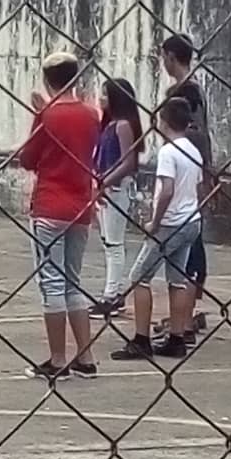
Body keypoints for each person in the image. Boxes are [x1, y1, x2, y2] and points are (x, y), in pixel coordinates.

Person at [19, 52, 101, 381]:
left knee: (51, 282)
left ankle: (57, 359)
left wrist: (39, 113)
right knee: (72, 281)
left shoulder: (48, 116)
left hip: (51, 204)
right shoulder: (91, 114)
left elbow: (28, 158)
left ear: (47, 80)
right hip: (81, 203)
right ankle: (86, 356)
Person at [111, 97, 204, 360]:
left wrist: (156, 221)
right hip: (190, 220)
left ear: (163, 121)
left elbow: (167, 191)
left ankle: (141, 339)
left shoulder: (168, 151)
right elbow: (197, 186)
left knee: (139, 277)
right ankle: (177, 336)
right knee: (178, 279)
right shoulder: (193, 150)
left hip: (171, 222)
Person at [157, 34, 213, 345]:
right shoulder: (196, 89)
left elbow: (194, 136)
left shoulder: (184, 93)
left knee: (187, 244)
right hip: (194, 170)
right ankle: (183, 316)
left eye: (163, 56)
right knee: (191, 240)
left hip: (185, 173)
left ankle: (185, 318)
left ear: (170, 56)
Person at [91, 78, 144, 319]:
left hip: (117, 189)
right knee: (108, 242)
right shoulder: (109, 124)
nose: (100, 99)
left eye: (105, 95)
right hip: (107, 187)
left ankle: (112, 295)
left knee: (114, 244)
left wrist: (105, 182)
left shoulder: (123, 125)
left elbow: (128, 162)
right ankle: (112, 291)